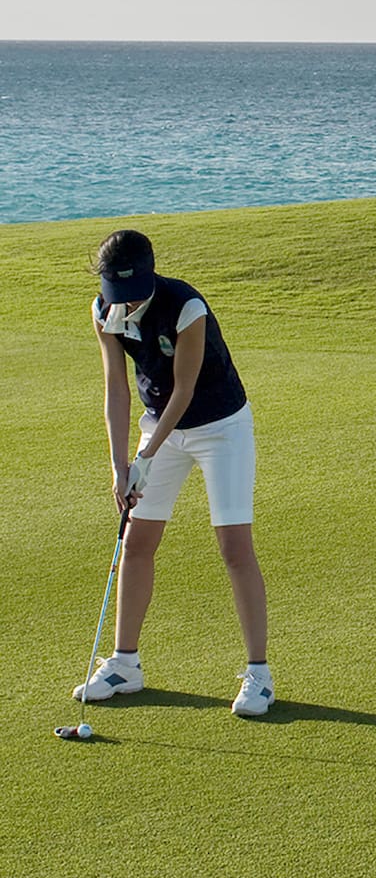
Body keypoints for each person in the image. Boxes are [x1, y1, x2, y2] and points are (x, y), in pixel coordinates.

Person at [83, 228, 274, 717]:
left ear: (151, 273)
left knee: (234, 546)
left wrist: (146, 459)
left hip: (221, 427)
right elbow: (117, 391)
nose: (124, 302)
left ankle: (259, 675)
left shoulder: (187, 306)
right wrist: (120, 465)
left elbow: (184, 391)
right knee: (137, 539)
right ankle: (126, 664)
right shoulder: (105, 311)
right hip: (158, 425)